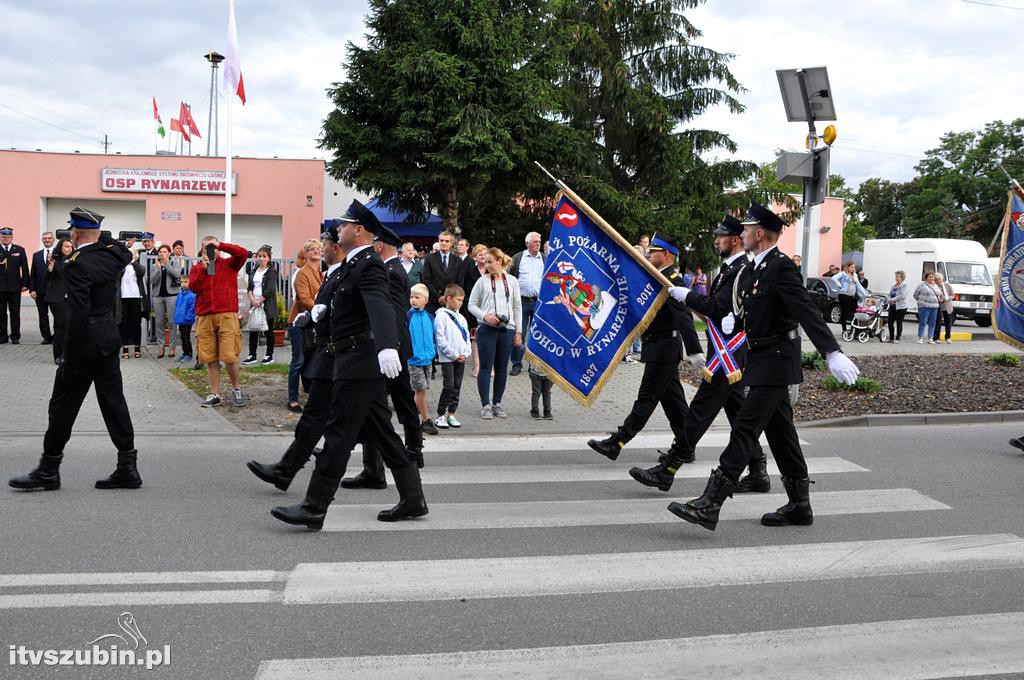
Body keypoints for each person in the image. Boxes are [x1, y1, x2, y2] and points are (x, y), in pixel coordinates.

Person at [664, 203, 859, 532]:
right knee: (782, 435)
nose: (741, 234)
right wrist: (731, 319)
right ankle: (800, 504)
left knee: (744, 428)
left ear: (759, 234)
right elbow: (751, 310)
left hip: (777, 361)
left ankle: (711, 502)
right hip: (763, 360)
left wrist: (832, 352)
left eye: (747, 229)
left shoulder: (781, 268)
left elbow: (806, 310)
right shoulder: (754, 268)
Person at [270, 199, 427, 529]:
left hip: (360, 363)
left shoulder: (369, 265)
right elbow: (345, 306)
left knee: (339, 435)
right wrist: (318, 315)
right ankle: (413, 499)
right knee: (383, 434)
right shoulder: (353, 266)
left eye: (343, 225)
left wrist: (387, 348)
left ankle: (314, 507)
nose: (337, 229)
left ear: (359, 231)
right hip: (350, 360)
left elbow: (380, 307)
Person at [629, 215, 768, 493]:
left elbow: (717, 307)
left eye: (721, 237)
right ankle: (758, 470)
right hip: (728, 356)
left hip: (727, 357)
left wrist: (687, 296)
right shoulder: (732, 269)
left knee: (698, 413)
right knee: (740, 415)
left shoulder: (741, 270)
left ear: (736, 240)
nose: (716, 240)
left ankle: (668, 469)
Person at [9, 207, 141, 492]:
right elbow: (124, 252)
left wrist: (68, 354)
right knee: (114, 403)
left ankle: (48, 469)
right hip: (108, 340)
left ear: (74, 233)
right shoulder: (114, 256)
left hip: (84, 346)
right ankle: (127, 466)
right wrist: (105, 237)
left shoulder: (77, 264)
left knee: (62, 406)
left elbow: (78, 314)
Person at [248, 224, 348, 493]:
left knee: (360, 423)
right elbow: (307, 301)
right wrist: (314, 311)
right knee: (315, 407)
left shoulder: (342, 272)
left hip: (344, 353)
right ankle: (287, 471)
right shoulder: (313, 272)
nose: (320, 250)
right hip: (321, 341)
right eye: (317, 247)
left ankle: (399, 481)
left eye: (323, 246)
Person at [587, 233, 703, 460]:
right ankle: (685, 448)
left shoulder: (672, 281)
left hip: (664, 348)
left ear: (667, 254)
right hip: (659, 347)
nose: (648, 254)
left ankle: (618, 441)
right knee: (675, 404)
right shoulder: (657, 277)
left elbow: (684, 317)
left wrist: (695, 349)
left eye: (653, 251)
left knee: (646, 399)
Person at [341, 225, 427, 486]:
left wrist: (388, 346)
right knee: (391, 403)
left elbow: (390, 314)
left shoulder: (389, 272)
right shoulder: (396, 270)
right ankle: (405, 453)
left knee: (383, 404)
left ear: (379, 246)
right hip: (397, 346)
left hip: (392, 347)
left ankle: (399, 456)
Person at [189, 235, 249, 407]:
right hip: (205, 316)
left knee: (230, 356)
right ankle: (215, 393)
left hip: (227, 314)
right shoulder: (197, 268)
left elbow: (242, 254)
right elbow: (193, 287)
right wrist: (203, 268)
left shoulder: (230, 264)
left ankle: (236, 389)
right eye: (206, 247)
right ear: (201, 250)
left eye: (213, 247)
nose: (211, 250)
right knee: (210, 358)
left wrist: (222, 245)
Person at [468, 247, 523, 419]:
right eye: (485, 261)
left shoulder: (512, 281)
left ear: (500, 262)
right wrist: (486, 316)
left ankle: (497, 403)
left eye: (490, 262)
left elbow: (517, 307)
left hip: (507, 330)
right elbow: (471, 304)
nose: (487, 265)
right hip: (486, 329)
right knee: (485, 368)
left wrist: (518, 331)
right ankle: (485, 405)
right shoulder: (482, 281)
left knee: (501, 369)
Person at [287, 239, 324, 412]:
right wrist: (320, 308)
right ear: (307, 253)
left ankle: (309, 391)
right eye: (313, 249)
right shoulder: (303, 273)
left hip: (313, 322)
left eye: (319, 248)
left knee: (311, 358)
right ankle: (292, 399)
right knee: (298, 360)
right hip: (299, 322)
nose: (317, 251)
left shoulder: (320, 273)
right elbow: (304, 298)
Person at [433, 283, 471, 430]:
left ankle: (452, 413)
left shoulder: (461, 318)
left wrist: (465, 353)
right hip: (448, 358)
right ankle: (440, 414)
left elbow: (467, 337)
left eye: (462, 300)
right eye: (459, 300)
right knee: (448, 386)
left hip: (460, 358)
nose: (461, 303)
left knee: (457, 386)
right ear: (449, 298)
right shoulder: (441, 317)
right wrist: (454, 355)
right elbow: (440, 339)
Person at [508, 231, 545, 376]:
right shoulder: (518, 258)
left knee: (537, 333)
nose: (538, 244)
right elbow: (509, 277)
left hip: (539, 302)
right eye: (535, 241)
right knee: (520, 332)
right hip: (521, 301)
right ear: (527, 243)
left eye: (539, 242)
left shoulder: (544, 258)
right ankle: (517, 364)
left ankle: (534, 364)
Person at [407, 283, 437, 433]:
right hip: (414, 360)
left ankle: (410, 418)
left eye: (417, 297)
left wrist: (433, 353)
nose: (413, 300)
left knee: (422, 391)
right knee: (421, 390)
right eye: (411, 297)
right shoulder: (408, 316)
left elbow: (432, 336)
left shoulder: (430, 317)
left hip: (427, 359)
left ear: (425, 300)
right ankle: (425, 420)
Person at [242, 246, 279, 365]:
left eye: (264, 256)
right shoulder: (254, 270)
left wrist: (260, 300)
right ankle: (252, 355)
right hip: (254, 304)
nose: (261, 258)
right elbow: (250, 287)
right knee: (253, 330)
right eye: (259, 256)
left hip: (266, 304)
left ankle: (269, 355)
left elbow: (270, 289)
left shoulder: (271, 271)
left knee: (268, 330)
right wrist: (252, 299)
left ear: (268, 258)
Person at [44, 238, 74, 363]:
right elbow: (47, 278)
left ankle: (68, 354)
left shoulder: (75, 260)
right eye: (66, 246)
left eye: (70, 247)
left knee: (70, 326)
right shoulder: (54, 260)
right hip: (57, 298)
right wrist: (50, 268)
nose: (69, 249)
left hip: (72, 298)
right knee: (61, 325)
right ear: (60, 247)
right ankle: (58, 355)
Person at [150, 244, 181, 358]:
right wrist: (158, 269)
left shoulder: (174, 263)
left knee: (172, 322)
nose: (162, 254)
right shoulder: (154, 265)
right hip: (158, 296)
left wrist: (166, 264)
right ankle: (161, 347)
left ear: (169, 253)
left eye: (164, 252)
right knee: (159, 322)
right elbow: (152, 281)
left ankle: (172, 348)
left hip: (171, 295)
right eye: (160, 252)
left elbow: (177, 275)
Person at [0, 226, 30, 344]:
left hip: (15, 287)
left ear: (12, 237)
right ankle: (2, 336)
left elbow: (25, 269)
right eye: (3, 236)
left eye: (8, 236)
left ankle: (15, 336)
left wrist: (25, 284)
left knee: (15, 312)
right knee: (1, 313)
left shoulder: (19, 249)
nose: (6, 239)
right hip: (0, 287)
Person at [420, 230, 462, 314]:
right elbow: (426, 280)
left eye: (447, 241)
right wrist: (439, 297)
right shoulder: (429, 258)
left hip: (451, 302)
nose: (444, 243)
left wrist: (448, 297)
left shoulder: (457, 260)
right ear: (438, 241)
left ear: (451, 243)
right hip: (433, 302)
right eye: (441, 240)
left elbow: (459, 282)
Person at [462, 244, 488, 377]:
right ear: (475, 258)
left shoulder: (492, 271)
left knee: (491, 338)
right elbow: (467, 293)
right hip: (474, 310)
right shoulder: (470, 272)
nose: (483, 257)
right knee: (475, 338)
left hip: (490, 310)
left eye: (485, 254)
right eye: (480, 255)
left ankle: (490, 367)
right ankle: (477, 366)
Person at [29, 231, 57, 345]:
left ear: (53, 240)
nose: (47, 240)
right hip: (40, 291)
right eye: (45, 238)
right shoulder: (37, 255)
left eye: (49, 238)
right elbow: (33, 274)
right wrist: (32, 289)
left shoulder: (58, 254)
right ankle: (46, 337)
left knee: (58, 315)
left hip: (55, 291)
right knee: (42, 315)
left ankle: (56, 336)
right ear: (42, 240)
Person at [119, 250, 145, 359]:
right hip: (123, 297)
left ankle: (137, 348)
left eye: (132, 254)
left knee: (136, 323)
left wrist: (134, 260)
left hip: (135, 297)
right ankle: (125, 348)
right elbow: (118, 274)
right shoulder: (121, 266)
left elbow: (141, 272)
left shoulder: (138, 266)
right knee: (124, 323)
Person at [833, 260, 868, 338]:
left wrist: (865, 294)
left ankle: (854, 330)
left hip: (852, 296)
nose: (853, 268)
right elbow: (834, 278)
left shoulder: (855, 275)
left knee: (855, 312)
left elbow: (858, 286)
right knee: (845, 312)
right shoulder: (843, 274)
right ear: (847, 267)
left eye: (854, 267)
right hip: (844, 295)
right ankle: (844, 330)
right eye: (851, 267)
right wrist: (839, 286)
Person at [913, 271, 941, 344]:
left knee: (932, 323)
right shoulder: (922, 285)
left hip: (934, 307)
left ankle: (930, 338)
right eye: (930, 277)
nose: (931, 278)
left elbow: (939, 295)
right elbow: (915, 295)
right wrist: (921, 302)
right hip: (924, 307)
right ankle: (920, 337)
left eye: (933, 277)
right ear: (926, 278)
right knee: (923, 322)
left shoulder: (936, 285)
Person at [173, 274, 196, 363]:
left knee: (186, 337)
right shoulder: (180, 294)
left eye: (186, 282)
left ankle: (189, 354)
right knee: (182, 337)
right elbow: (177, 306)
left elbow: (192, 308)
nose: (183, 284)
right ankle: (184, 353)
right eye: (182, 282)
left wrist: (187, 318)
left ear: (190, 283)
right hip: (181, 319)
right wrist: (177, 317)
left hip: (187, 320)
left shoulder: (192, 295)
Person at [932, 272, 954, 344]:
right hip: (938, 306)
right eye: (937, 280)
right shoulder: (934, 286)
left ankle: (948, 337)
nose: (939, 281)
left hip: (947, 307)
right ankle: (936, 338)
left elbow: (952, 295)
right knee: (938, 322)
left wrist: (946, 298)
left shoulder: (947, 285)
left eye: (940, 280)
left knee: (948, 323)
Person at [887, 270, 909, 343]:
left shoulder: (905, 285)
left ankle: (897, 338)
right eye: (895, 276)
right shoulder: (893, 286)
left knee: (899, 323)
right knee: (890, 322)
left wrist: (893, 299)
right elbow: (889, 294)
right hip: (892, 306)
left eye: (897, 276)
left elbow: (902, 296)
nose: (896, 278)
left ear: (902, 277)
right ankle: (891, 338)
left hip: (901, 307)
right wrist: (889, 299)